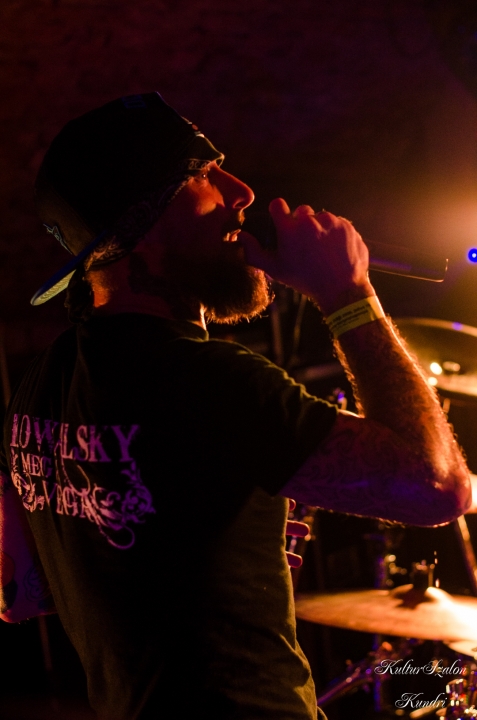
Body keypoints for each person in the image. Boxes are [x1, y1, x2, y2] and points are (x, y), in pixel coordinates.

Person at [0, 92, 470, 720]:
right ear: (142, 226)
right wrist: (348, 294)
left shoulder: (39, 384)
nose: (242, 191)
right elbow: (438, 488)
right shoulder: (206, 380)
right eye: (202, 173)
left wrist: (205, 558)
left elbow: (20, 593)